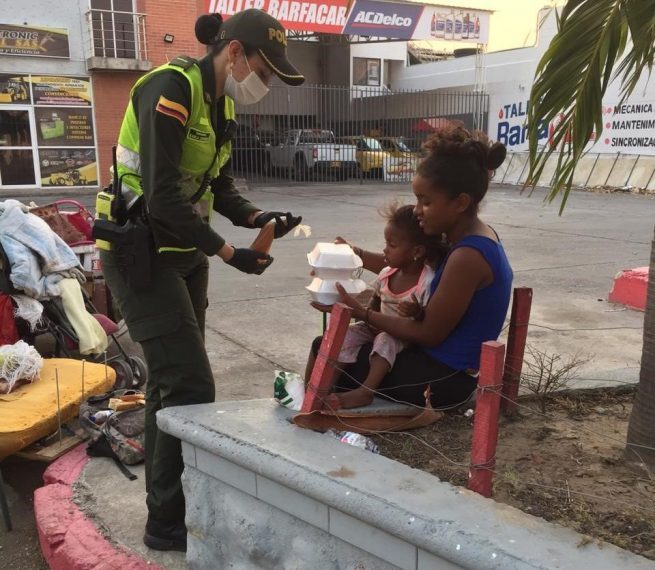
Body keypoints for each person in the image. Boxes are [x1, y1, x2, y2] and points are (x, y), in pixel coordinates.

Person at [98, 9, 304, 552]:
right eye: (265, 67)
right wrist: (230, 251)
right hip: (139, 252)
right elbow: (163, 196)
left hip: (184, 255)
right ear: (234, 51)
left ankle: (167, 512)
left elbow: (220, 187)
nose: (266, 81)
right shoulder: (170, 88)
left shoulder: (223, 104)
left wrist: (260, 220)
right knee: (191, 383)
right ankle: (170, 519)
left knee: (171, 383)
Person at [310, 126, 511, 409]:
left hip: (443, 380)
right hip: (435, 365)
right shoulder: (466, 237)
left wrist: (363, 313)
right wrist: (351, 257)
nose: (417, 210)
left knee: (327, 351)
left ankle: (314, 407)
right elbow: (408, 267)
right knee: (342, 345)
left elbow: (429, 333)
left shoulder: (468, 256)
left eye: (425, 201)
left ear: (460, 203)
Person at [305, 204, 447, 409]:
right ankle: (326, 384)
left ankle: (366, 391)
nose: (385, 249)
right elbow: (374, 300)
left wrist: (416, 312)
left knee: (384, 339)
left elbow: (427, 321)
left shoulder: (425, 281)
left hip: (401, 336)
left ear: (416, 251)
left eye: (392, 245)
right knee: (347, 334)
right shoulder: (388, 272)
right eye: (385, 243)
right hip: (375, 324)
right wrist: (363, 313)